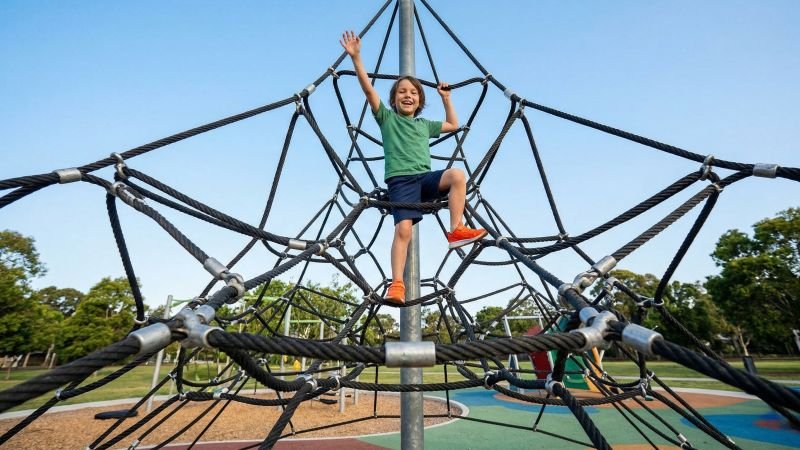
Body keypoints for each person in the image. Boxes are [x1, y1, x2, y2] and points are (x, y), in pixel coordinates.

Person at [340, 30, 487, 304]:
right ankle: (397, 283)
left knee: (457, 174)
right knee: (404, 230)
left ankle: (456, 228)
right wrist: (357, 58)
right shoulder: (386, 118)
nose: (408, 95)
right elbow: (368, 89)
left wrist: (446, 99)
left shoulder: (424, 125)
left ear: (420, 100)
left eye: (414, 92)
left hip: (425, 180)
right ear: (394, 99)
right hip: (402, 181)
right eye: (402, 92)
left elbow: (453, 125)